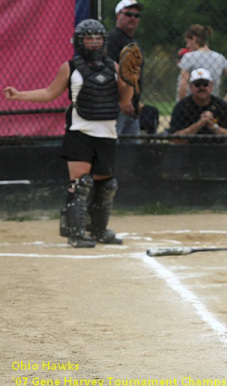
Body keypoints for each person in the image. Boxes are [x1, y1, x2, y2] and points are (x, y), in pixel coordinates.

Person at [3, 19, 134, 248]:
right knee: (81, 183)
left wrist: (130, 79)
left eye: (98, 37)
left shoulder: (113, 66)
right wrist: (19, 95)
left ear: (104, 40)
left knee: (106, 185)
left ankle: (99, 230)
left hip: (107, 132)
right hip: (80, 132)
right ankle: (76, 232)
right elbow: (49, 93)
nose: (94, 42)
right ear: (79, 41)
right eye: (88, 38)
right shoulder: (70, 67)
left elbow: (124, 101)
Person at [177, 24, 227, 103]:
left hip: (192, 104)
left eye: (187, 41)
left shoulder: (188, 57)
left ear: (194, 39)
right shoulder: (219, 58)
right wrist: (224, 102)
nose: (187, 45)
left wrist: (181, 105)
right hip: (212, 104)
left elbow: (183, 84)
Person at [107, 0, 144, 136]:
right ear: (118, 15)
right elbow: (111, 70)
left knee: (131, 151)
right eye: (128, 14)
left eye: (136, 16)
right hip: (118, 105)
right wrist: (125, 100)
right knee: (113, 145)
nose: (133, 18)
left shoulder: (134, 42)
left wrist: (136, 99)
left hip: (131, 106)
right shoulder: (112, 39)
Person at [169, 68, 227, 140]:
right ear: (191, 86)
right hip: (188, 149)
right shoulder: (182, 106)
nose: (202, 87)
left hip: (217, 149)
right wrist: (199, 124)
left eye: (205, 84)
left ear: (211, 86)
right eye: (197, 84)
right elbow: (174, 139)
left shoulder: (220, 105)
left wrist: (214, 127)